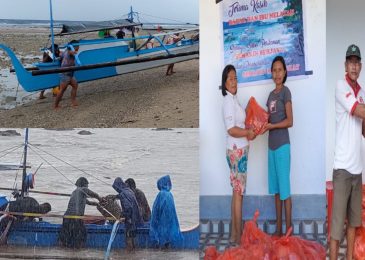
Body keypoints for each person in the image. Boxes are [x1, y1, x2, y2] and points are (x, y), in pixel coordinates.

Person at [330, 44, 365, 260]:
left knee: (353, 223)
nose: (353, 66)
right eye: (350, 62)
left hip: (357, 170)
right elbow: (358, 110)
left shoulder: (361, 92)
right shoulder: (339, 85)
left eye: (357, 62)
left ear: (360, 66)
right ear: (345, 65)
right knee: (336, 229)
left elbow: (363, 128)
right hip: (342, 169)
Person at [221, 65, 255, 245]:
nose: (234, 81)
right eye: (230, 78)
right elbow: (231, 129)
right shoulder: (228, 101)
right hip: (237, 150)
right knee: (239, 192)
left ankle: (234, 235)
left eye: (235, 78)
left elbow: (239, 124)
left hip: (238, 149)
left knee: (236, 192)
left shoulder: (233, 100)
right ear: (225, 83)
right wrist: (247, 133)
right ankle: (238, 236)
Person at [263, 56, 293, 237]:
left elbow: (290, 121)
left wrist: (272, 126)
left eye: (280, 69)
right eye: (274, 70)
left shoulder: (285, 92)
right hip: (271, 147)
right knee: (275, 190)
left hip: (282, 146)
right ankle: (279, 229)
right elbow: (266, 119)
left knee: (285, 191)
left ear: (285, 72)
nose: (277, 73)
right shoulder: (270, 95)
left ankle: (289, 231)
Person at [59, 177, 100, 248]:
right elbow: (93, 194)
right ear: (83, 184)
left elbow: (88, 202)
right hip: (76, 217)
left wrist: (97, 204)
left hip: (67, 217)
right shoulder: (82, 189)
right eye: (87, 185)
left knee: (67, 236)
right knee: (81, 235)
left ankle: (64, 249)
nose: (87, 187)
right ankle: (78, 251)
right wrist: (100, 198)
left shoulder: (75, 192)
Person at [149, 175, 183, 248]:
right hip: (170, 219)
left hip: (163, 219)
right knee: (168, 238)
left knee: (162, 238)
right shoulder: (169, 194)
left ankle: (163, 252)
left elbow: (156, 209)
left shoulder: (161, 194)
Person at [112, 177, 142, 251]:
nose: (116, 189)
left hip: (130, 219)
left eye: (116, 188)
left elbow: (127, 207)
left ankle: (129, 254)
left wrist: (123, 215)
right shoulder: (129, 190)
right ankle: (134, 253)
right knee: (133, 237)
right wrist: (115, 196)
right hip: (135, 218)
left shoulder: (123, 194)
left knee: (128, 237)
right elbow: (127, 199)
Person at [54, 40, 79, 109]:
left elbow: (60, 54)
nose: (79, 47)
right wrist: (74, 52)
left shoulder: (65, 51)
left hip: (70, 74)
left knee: (75, 85)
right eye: (78, 46)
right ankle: (56, 105)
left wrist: (59, 54)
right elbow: (71, 52)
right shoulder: (70, 52)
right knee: (62, 90)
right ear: (74, 47)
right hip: (65, 74)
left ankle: (73, 101)